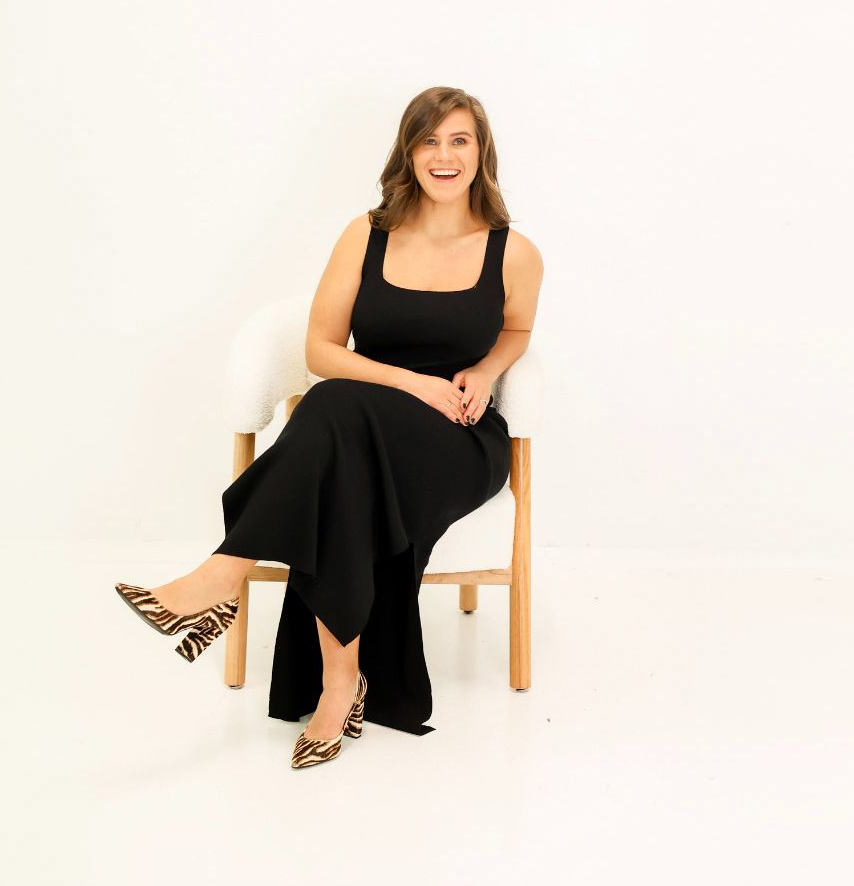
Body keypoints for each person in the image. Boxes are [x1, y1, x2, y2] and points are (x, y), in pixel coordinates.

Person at [114, 86, 544, 768]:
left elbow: (517, 330)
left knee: (331, 412)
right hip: (367, 427)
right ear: (409, 153)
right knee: (340, 436)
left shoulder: (512, 251)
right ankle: (340, 685)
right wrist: (413, 383)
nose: (444, 155)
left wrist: (487, 371)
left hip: (457, 441)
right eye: (429, 140)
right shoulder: (366, 235)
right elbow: (320, 350)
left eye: (459, 140)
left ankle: (223, 577)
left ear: (481, 153)